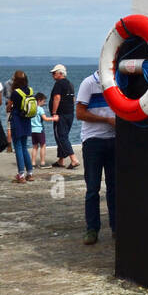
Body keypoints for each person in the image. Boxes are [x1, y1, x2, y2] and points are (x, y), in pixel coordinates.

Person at [75, 69, 115, 245]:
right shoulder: (89, 83)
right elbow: (80, 113)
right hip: (93, 141)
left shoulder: (117, 83)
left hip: (114, 140)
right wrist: (106, 120)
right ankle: (92, 229)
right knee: (93, 188)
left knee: (115, 187)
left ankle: (116, 227)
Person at [6, 70, 35, 183]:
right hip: (27, 120)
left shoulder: (15, 92)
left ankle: (21, 175)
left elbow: (9, 107)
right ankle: (30, 173)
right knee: (24, 146)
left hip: (17, 120)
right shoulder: (30, 90)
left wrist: (9, 107)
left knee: (17, 146)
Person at [49, 64, 78, 169]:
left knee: (61, 136)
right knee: (63, 136)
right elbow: (73, 99)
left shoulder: (59, 84)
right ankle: (61, 160)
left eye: (54, 73)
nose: (52, 75)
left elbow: (57, 97)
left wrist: (54, 113)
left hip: (61, 115)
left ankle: (74, 159)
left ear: (60, 73)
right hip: (69, 114)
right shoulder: (70, 84)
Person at [30, 93, 54, 169]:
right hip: (39, 130)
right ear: (39, 100)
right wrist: (54, 118)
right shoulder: (40, 109)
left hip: (32, 130)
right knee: (43, 146)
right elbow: (45, 118)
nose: (44, 103)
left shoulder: (31, 108)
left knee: (34, 147)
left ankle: (33, 163)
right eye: (43, 101)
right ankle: (42, 163)